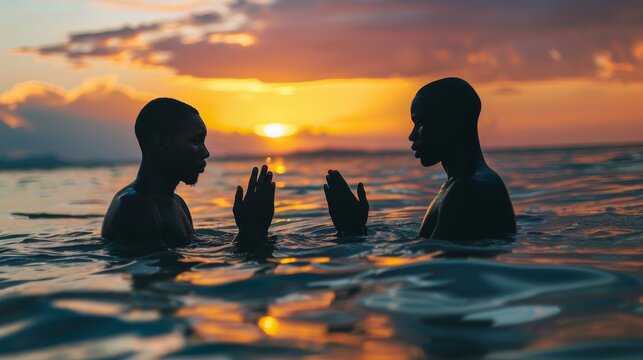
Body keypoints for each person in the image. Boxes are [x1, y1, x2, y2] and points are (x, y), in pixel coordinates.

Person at [323, 77, 516, 240]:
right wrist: (358, 229)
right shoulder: (460, 186)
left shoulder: (467, 191)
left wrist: (351, 232)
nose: (412, 135)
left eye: (421, 122)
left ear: (454, 120)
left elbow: (437, 269)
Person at [101, 98, 275, 249]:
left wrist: (252, 228)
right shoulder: (134, 206)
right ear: (162, 142)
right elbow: (162, 273)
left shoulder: (177, 204)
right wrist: (249, 233)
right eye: (196, 141)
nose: (206, 152)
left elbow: (193, 252)